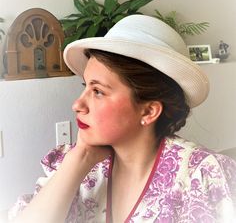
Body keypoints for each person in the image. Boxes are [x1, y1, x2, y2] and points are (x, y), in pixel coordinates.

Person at [9, 15, 236, 223]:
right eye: (85, 86)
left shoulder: (203, 175)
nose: (77, 105)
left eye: (98, 91)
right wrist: (81, 158)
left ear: (148, 111)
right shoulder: (78, 166)